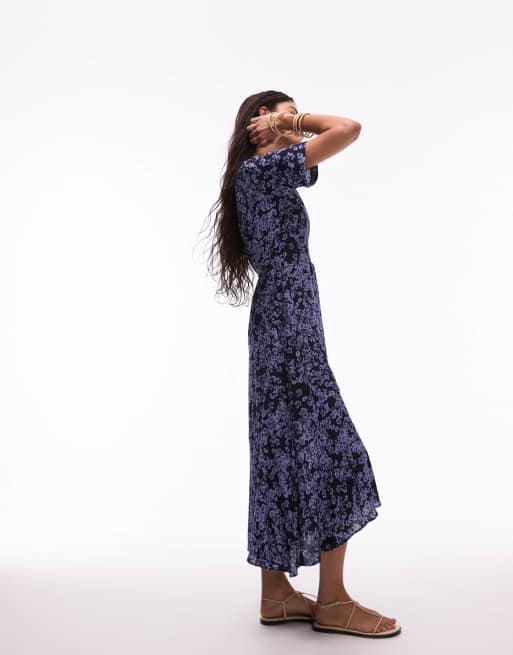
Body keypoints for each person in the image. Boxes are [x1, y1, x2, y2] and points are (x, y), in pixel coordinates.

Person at [202, 91, 401, 638]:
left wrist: (285, 127)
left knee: (279, 448)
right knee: (335, 451)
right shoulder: (261, 171)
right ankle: (333, 602)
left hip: (282, 321)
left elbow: (321, 150)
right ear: (257, 124)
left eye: (295, 114)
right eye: (282, 114)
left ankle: (276, 594)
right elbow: (348, 128)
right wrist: (293, 122)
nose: (294, 124)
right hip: (288, 323)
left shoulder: (265, 174)